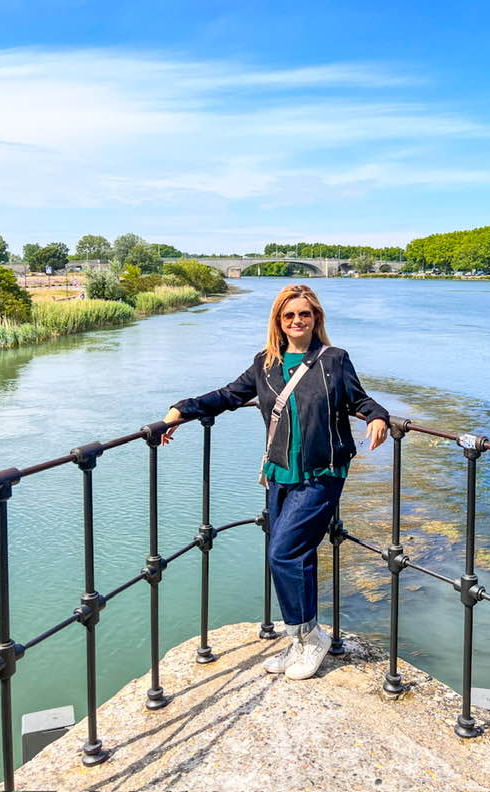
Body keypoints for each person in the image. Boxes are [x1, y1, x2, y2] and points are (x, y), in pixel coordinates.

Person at [162, 283, 389, 680]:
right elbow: (228, 395)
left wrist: (378, 416)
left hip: (322, 472)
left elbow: (359, 400)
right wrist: (182, 410)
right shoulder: (265, 364)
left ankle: (309, 638)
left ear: (316, 318)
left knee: (284, 553)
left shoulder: (334, 359)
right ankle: (301, 639)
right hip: (280, 473)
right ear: (279, 322)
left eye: (305, 314)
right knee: (289, 555)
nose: (298, 321)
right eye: (290, 316)